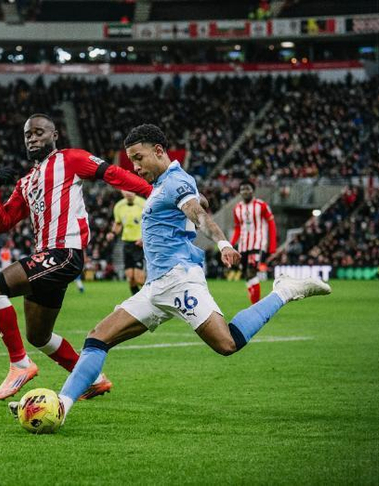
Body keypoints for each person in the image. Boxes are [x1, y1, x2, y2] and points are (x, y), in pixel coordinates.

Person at [40, 124, 331, 427]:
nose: (136, 167)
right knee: (97, 337)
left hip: (180, 281)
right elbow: (194, 203)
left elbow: (197, 213)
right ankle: (61, 406)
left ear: (159, 151)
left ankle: (284, 291)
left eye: (138, 158)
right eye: (131, 161)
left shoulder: (175, 180)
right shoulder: (164, 185)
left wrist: (223, 242)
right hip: (155, 288)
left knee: (227, 343)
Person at [0, 113, 153, 400]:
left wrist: (154, 193)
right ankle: (93, 379)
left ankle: (19, 364)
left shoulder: (71, 159)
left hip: (64, 252)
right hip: (47, 258)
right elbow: (2, 223)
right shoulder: (26, 182)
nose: (32, 138)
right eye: (28, 134)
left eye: (39, 132)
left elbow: (113, 173)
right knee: (38, 336)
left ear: (54, 135)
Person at [231, 180, 277, 304]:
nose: (245, 191)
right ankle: (255, 303)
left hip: (258, 244)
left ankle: (256, 306)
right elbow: (237, 228)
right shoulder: (237, 208)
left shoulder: (261, 205)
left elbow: (271, 224)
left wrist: (272, 247)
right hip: (243, 245)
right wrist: (231, 244)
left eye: (248, 189)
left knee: (251, 272)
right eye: (242, 189)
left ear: (253, 191)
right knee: (246, 275)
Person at [109, 190, 147, 295]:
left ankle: (151, 296)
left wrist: (144, 238)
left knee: (139, 279)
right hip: (127, 243)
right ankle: (137, 300)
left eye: (130, 190)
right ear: (121, 191)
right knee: (130, 277)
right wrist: (112, 233)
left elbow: (150, 222)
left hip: (140, 244)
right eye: (125, 190)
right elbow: (118, 223)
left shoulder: (143, 203)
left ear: (135, 191)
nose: (128, 192)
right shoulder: (119, 206)